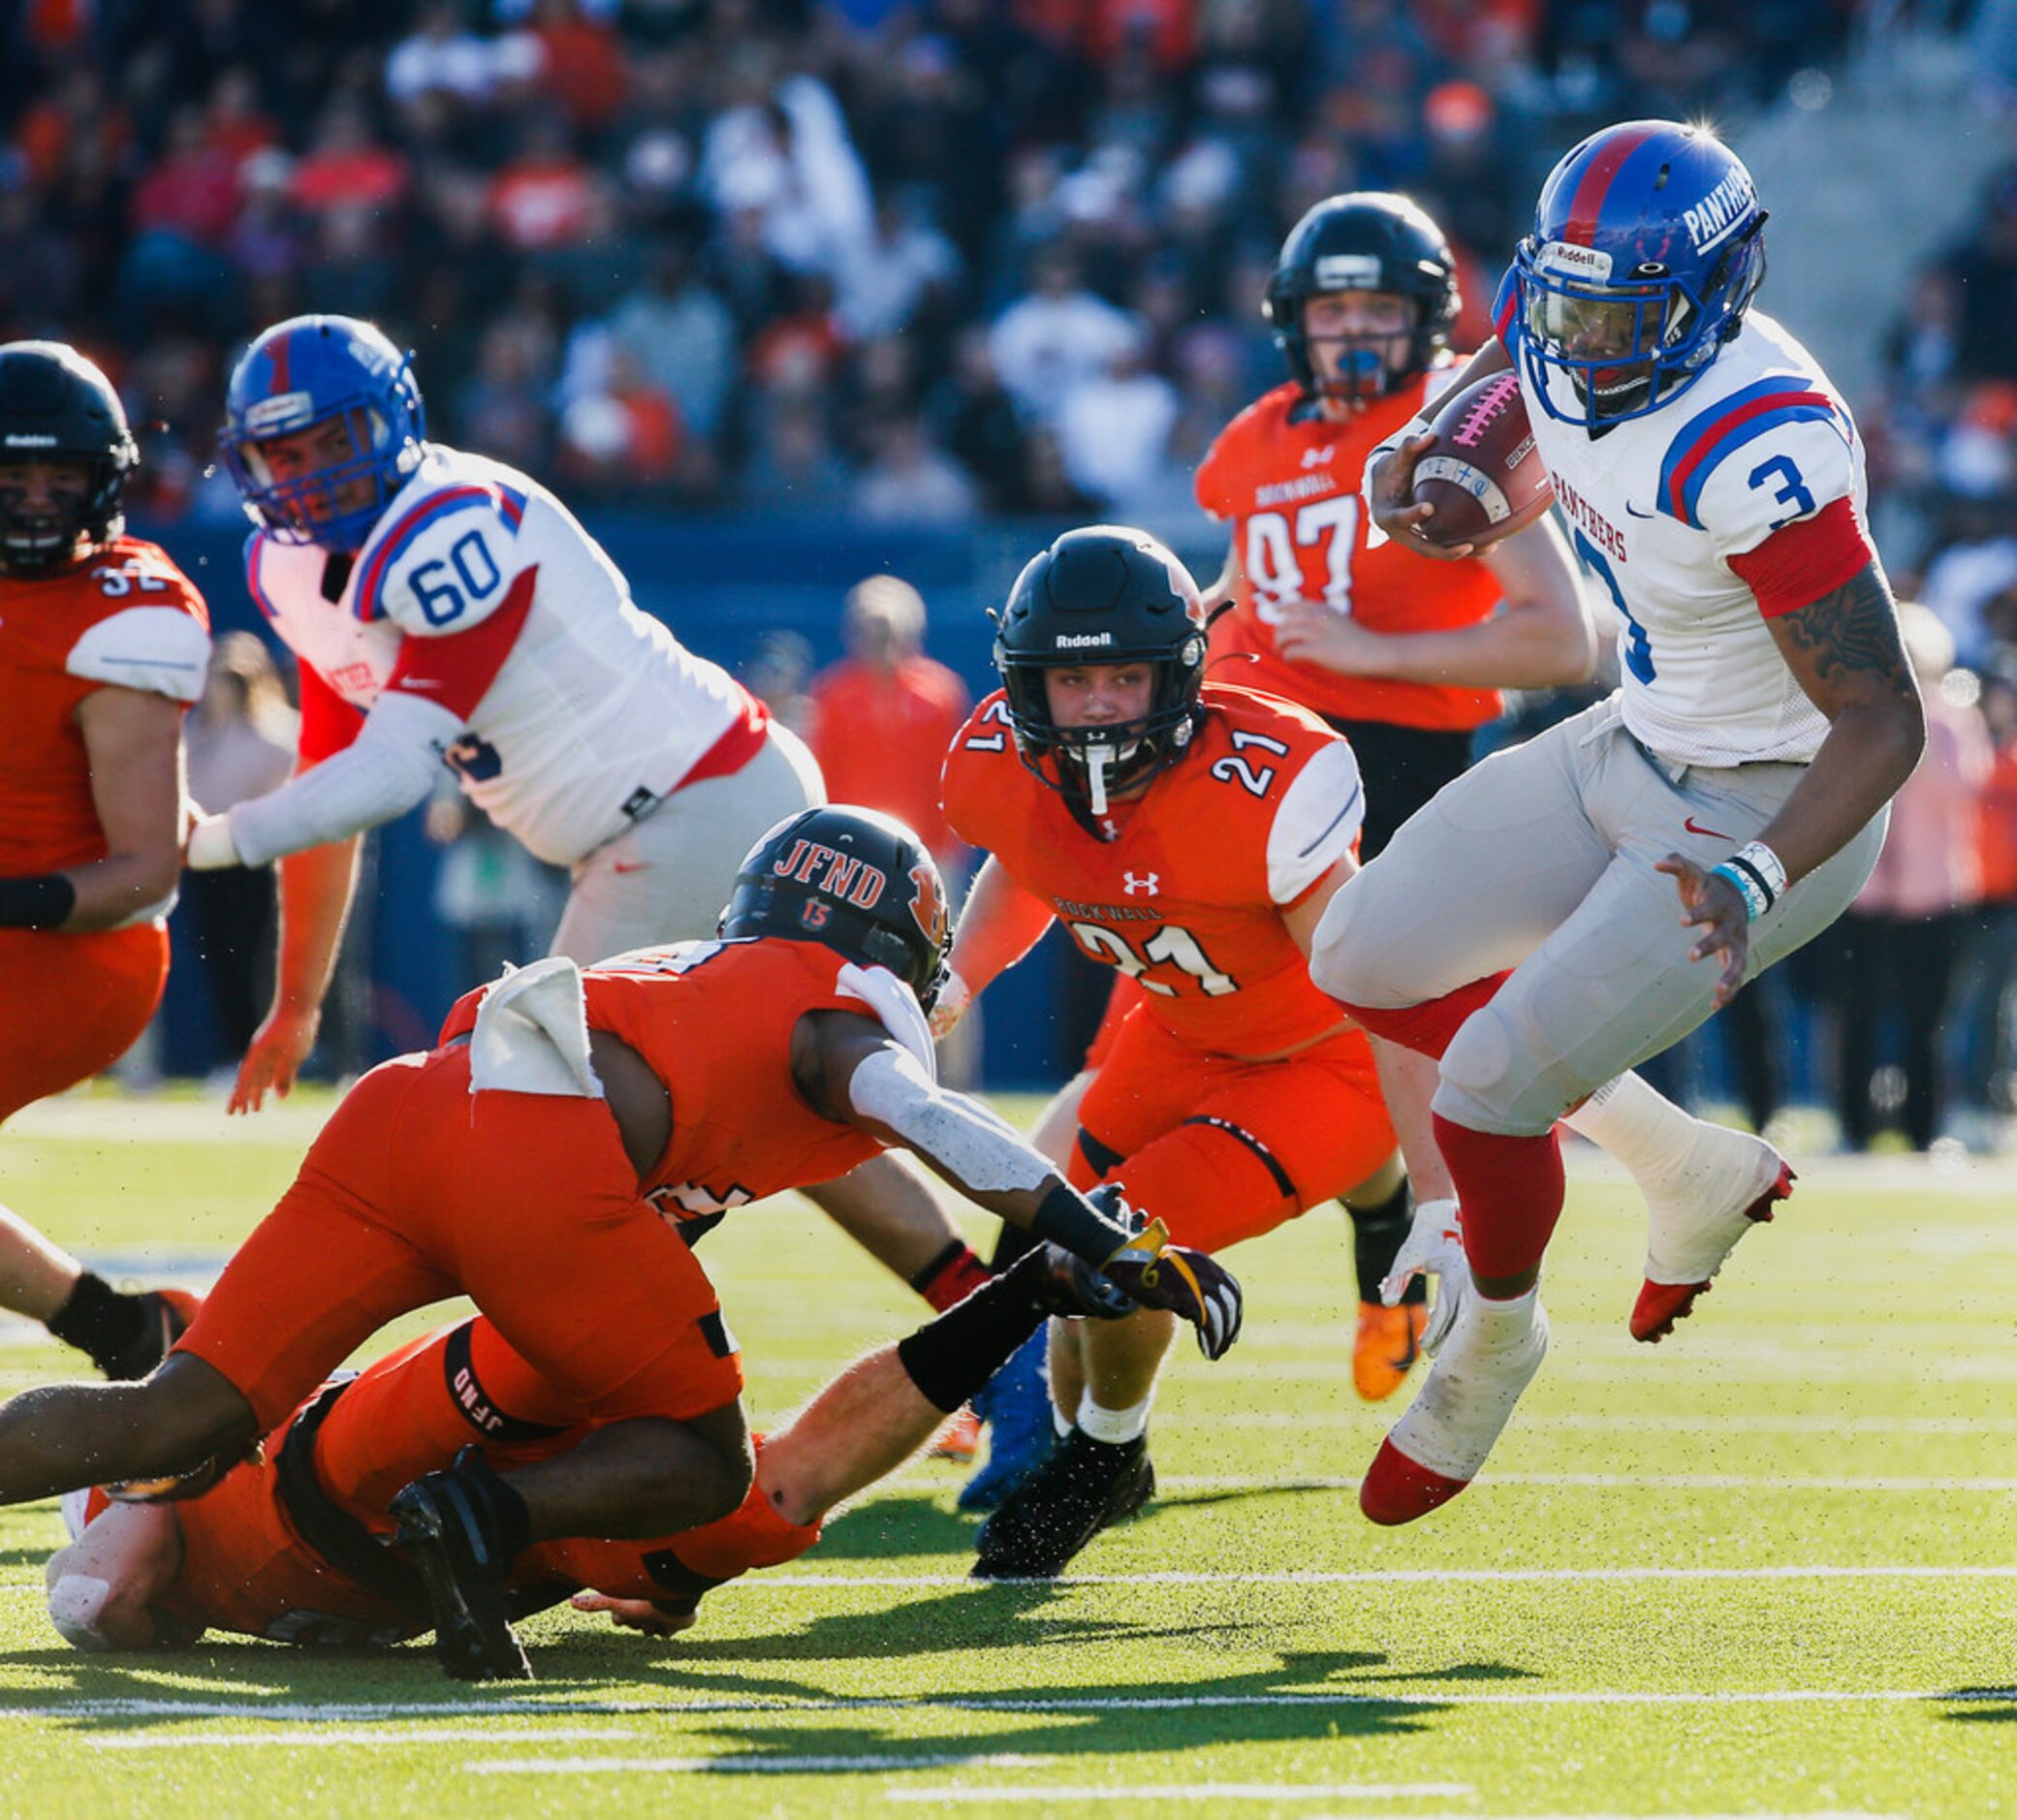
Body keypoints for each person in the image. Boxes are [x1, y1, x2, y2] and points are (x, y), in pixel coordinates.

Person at [0, 805, 1239, 1678]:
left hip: (408, 1110)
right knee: (701, 1465)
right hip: (542, 1165)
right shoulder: (846, 1004)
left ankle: (470, 1516)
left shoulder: (685, 962)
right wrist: (1096, 1243)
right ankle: (477, 1516)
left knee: (175, 1415)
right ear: (897, 946)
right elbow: (920, 1115)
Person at [1315, 120, 1925, 1526]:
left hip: (1773, 801)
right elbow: (1517, 357)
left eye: (1613, 315)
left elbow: (1883, 721)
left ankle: (1492, 1345)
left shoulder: (1756, 442)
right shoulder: (1571, 317)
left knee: (1481, 1091)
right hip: (1631, 736)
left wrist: (1762, 871)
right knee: (1358, 954)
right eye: (1563, 301)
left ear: (1711, 296)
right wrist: (1423, 448)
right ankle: (1678, 1159)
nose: (1579, 343)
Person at [189, 313, 987, 1325]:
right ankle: (983, 1321)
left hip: (693, 810)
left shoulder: (453, 523)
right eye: (280, 453)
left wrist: (211, 838)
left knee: (540, 1117)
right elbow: (330, 787)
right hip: (668, 817)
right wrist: (297, 1001)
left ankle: (579, 1392)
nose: (307, 476)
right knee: (779, 1093)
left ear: (391, 422)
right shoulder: (288, 566)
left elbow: (387, 776)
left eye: (329, 444)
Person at [931, 525, 1419, 1579]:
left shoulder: (1267, 776)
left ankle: (1108, 1449)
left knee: (1114, 1247)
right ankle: (1101, 1443)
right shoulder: (997, 763)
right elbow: (1027, 857)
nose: (1101, 702)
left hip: (1315, 1064)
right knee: (1045, 1241)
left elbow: (1369, 985)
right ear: (1028, 683)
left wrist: (1460, 1164)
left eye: (1122, 675)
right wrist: (960, 977)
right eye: (1073, 679)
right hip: (1178, 1031)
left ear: (1179, 674)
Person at [44, 1239, 1118, 1669]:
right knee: (766, 1495)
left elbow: (105, 1595)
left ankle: (638, 1253)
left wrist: (169, 1628)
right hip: (514, 1557)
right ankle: (1028, 1292)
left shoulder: (142, 1487)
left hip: (333, 1484)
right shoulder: (136, 1488)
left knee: (544, 1356)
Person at [0, 340, 212, 1379]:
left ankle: (114, 1329)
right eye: (13, 477)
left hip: (77, 950)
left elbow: (145, 872)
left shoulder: (121, 616)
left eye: (60, 479)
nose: (38, 501)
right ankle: (121, 1331)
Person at [181, 632, 294, 1062]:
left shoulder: (276, 733)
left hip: (254, 860)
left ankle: (258, 1055)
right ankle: (233, 1056)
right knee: (219, 960)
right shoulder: (196, 733)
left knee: (252, 961)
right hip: (205, 859)